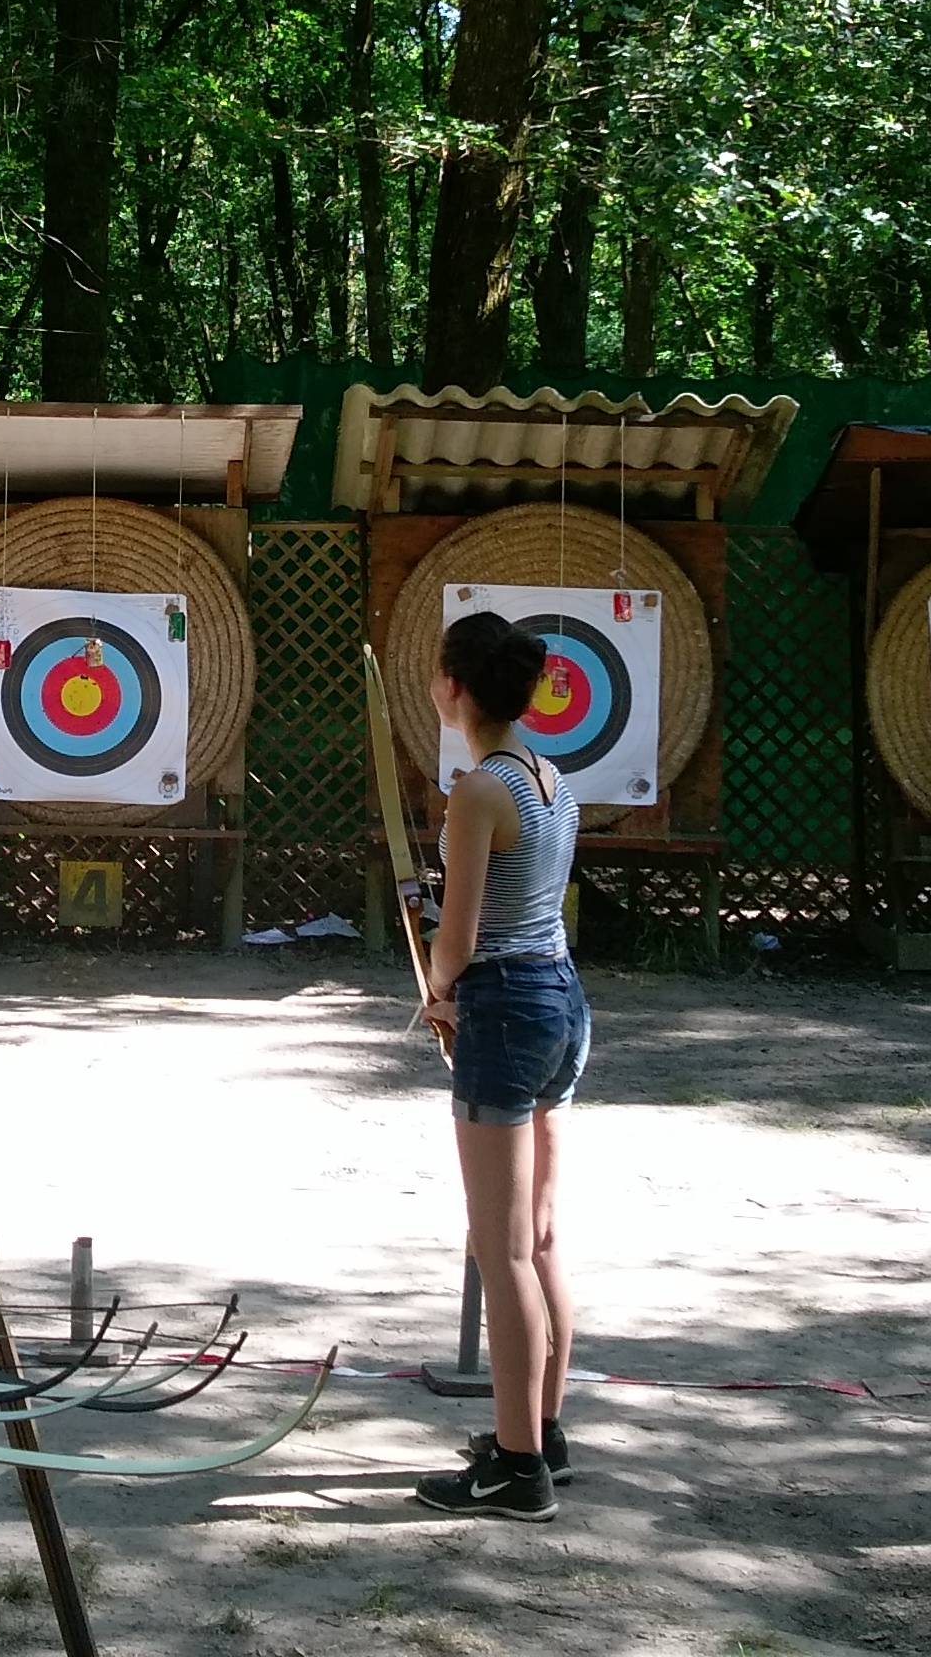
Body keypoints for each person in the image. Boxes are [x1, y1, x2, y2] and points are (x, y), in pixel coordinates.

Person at [409, 612, 588, 1521]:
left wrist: (440, 988)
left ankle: (518, 1469)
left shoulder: (481, 790)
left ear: (455, 687)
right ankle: (542, 1431)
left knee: (501, 1245)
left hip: (509, 1007)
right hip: (560, 1000)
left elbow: (462, 934)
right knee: (539, 1236)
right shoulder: (554, 779)